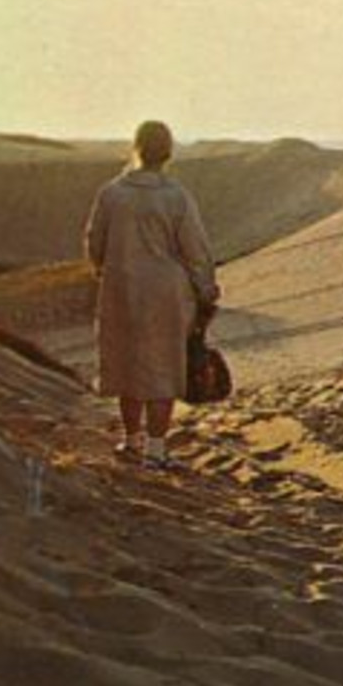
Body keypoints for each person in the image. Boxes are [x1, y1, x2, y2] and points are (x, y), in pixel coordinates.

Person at [84, 120, 220, 467]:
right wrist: (206, 290)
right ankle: (156, 450)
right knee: (162, 365)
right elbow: (196, 250)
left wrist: (106, 269)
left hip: (121, 287)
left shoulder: (111, 193)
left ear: (136, 148)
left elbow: (93, 242)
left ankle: (131, 441)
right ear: (168, 153)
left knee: (128, 363)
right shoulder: (176, 196)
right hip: (166, 293)